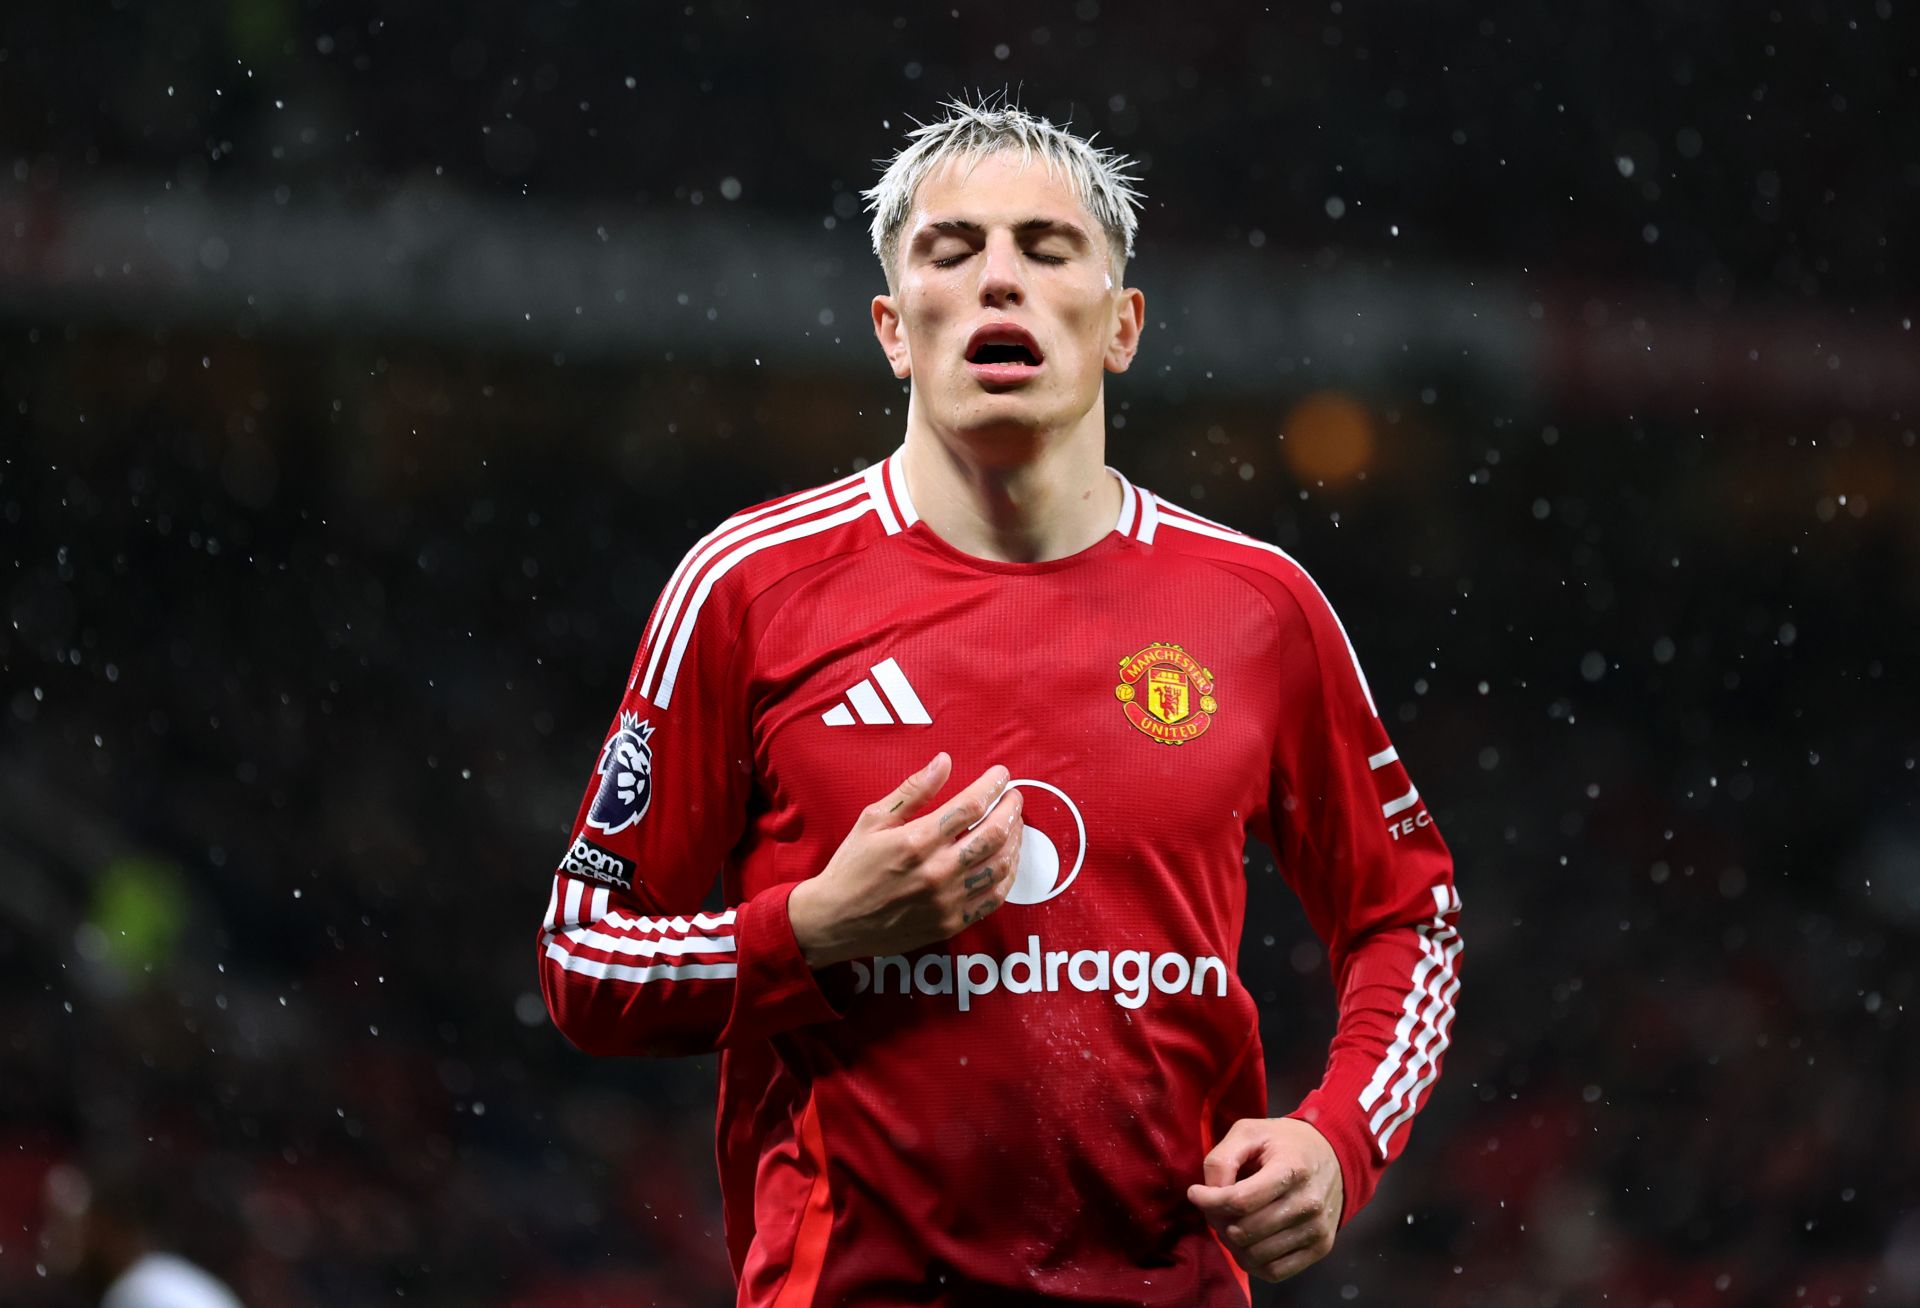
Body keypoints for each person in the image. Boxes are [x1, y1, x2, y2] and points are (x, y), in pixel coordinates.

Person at [536, 96, 1462, 1307]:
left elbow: (1412, 917)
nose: (998, 282)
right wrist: (811, 930)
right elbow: (582, 962)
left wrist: (1338, 1143)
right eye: (952, 250)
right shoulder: (748, 589)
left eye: (1047, 247)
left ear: (1122, 324)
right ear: (892, 328)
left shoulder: (1260, 609)